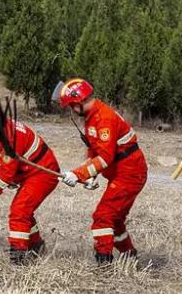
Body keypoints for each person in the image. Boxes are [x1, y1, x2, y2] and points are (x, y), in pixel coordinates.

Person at [55, 78, 148, 263]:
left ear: (79, 101)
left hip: (129, 173)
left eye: (71, 106)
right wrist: (91, 175)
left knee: (102, 217)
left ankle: (104, 262)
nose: (72, 111)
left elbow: (105, 157)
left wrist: (78, 174)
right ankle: (129, 256)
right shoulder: (92, 117)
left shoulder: (103, 118)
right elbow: (96, 151)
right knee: (115, 219)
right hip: (124, 172)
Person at [0, 102, 59, 265]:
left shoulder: (10, 140)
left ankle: (19, 257)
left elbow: (4, 178)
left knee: (19, 211)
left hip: (42, 173)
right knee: (24, 211)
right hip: (27, 172)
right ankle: (36, 245)